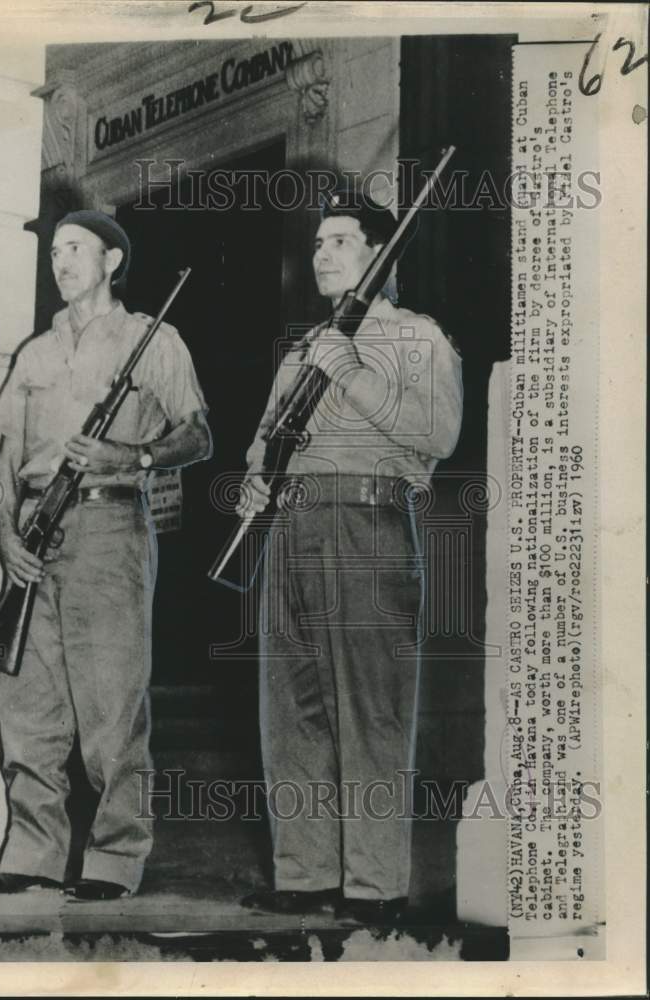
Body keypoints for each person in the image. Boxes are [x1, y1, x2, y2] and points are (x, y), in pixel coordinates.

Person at [0, 210, 211, 901]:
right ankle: (32, 853)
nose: (61, 262)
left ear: (111, 262)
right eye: (54, 252)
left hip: (110, 527)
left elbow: (198, 436)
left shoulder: (151, 340)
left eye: (76, 250)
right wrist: (6, 537)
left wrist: (129, 455)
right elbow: (4, 461)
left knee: (112, 706)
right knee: (28, 706)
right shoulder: (34, 354)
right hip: (35, 533)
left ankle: (114, 858)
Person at [237, 189, 463, 923]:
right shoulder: (304, 347)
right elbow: (265, 436)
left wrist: (350, 371)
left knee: (370, 709)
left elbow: (437, 434)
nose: (322, 255)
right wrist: (252, 478)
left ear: (379, 255)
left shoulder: (416, 337)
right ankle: (305, 876)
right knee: (290, 708)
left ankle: (374, 888)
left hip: (365, 525)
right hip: (290, 527)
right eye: (317, 244)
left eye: (339, 241)